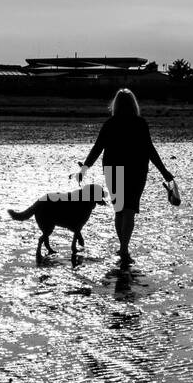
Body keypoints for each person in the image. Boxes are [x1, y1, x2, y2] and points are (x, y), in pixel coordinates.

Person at [79, 88, 174, 264]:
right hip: (136, 170)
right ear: (133, 104)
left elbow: (97, 148)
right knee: (129, 210)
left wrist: (85, 167)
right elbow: (150, 150)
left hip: (113, 169)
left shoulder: (110, 123)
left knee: (120, 210)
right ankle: (124, 248)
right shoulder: (140, 123)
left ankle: (122, 247)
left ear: (116, 104)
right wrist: (164, 171)